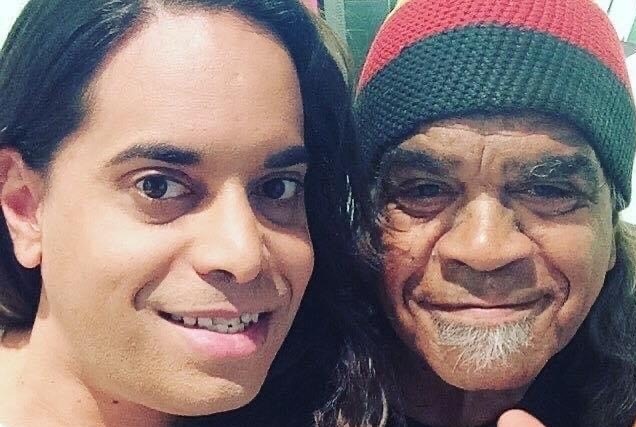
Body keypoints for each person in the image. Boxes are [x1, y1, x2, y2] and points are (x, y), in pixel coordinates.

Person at [0, 1, 384, 426]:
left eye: (277, 188)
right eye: (158, 186)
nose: (243, 256)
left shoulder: (339, 402)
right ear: (24, 205)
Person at [351, 0, 636, 426]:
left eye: (547, 189)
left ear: (610, 230)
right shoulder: (283, 390)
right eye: (424, 190)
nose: (484, 250)